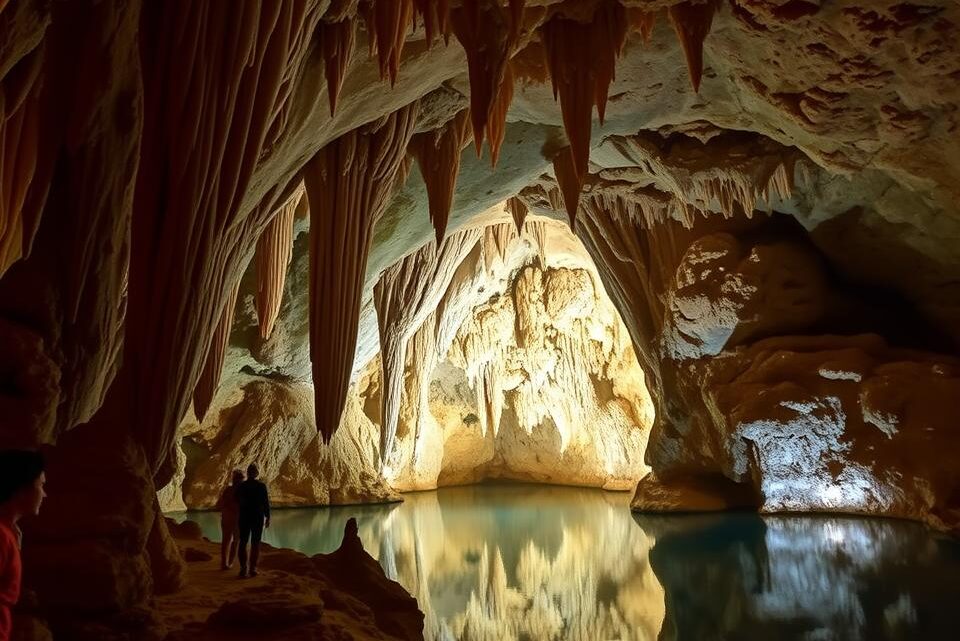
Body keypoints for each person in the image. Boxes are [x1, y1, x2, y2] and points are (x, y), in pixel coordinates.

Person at [0, 450, 46, 641]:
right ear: (22, 489)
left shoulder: (8, 533)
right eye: (41, 485)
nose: (45, 494)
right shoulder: (1, 536)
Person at [235, 463, 269, 578]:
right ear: (256, 473)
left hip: (244, 516)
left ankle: (243, 568)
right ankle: (253, 568)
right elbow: (265, 503)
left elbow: (236, 499)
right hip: (257, 517)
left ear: (248, 473)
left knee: (243, 542)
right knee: (255, 543)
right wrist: (268, 516)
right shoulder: (261, 486)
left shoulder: (242, 486)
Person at [216, 470, 244, 570]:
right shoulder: (242, 492)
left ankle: (225, 563)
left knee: (226, 541)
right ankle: (230, 562)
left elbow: (220, 504)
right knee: (235, 541)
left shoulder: (228, 490)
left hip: (227, 518)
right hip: (236, 520)